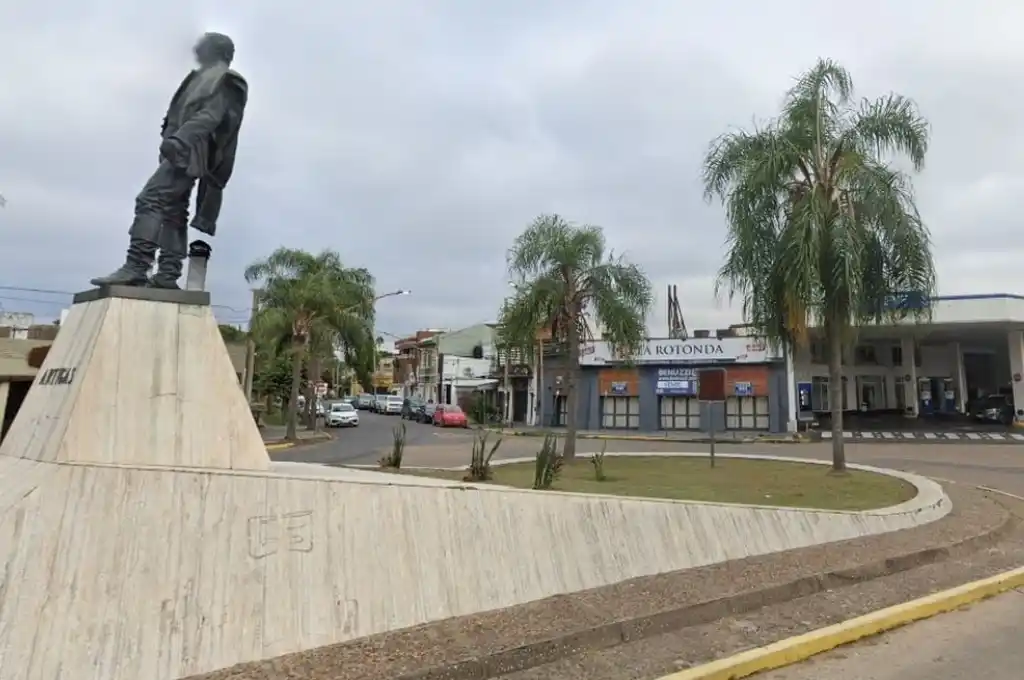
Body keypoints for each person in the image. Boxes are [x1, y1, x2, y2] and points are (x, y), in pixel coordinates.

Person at [91, 32, 248, 289]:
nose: (195, 48)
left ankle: (136, 266)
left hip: (191, 151)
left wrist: (180, 140)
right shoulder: (200, 77)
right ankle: (168, 273)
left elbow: (211, 116)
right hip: (181, 150)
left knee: (150, 199)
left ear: (217, 49)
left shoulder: (225, 80)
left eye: (202, 44)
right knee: (174, 213)